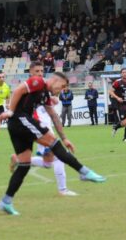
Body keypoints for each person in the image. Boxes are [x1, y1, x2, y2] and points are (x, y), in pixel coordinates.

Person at [0, 73, 106, 215]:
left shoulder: (45, 95)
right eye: (62, 86)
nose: (61, 90)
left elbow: (54, 116)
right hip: (20, 120)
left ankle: (6, 201)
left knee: (24, 165)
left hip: (17, 125)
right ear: (55, 80)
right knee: (54, 144)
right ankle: (83, 172)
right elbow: (18, 90)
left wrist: (65, 138)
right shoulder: (38, 82)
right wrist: (11, 111)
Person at [11, 63, 78, 197]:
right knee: (59, 157)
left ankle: (18, 160)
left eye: (42, 71)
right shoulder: (29, 90)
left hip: (44, 128)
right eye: (37, 71)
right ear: (30, 73)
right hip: (40, 128)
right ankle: (63, 190)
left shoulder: (42, 89)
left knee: (48, 163)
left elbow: (51, 106)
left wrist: (51, 98)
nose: (40, 73)